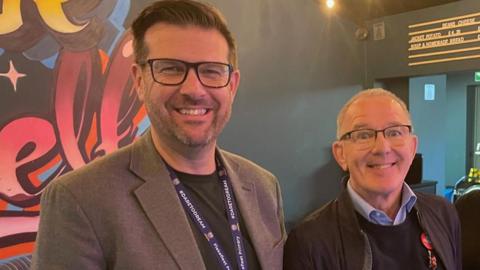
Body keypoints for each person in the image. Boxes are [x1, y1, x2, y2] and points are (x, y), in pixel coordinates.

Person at [31, 1, 286, 269]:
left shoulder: (264, 187)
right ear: (140, 81)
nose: (194, 89)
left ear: (232, 86)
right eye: (171, 68)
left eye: (211, 70)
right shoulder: (79, 199)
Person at [283, 88, 461, 270]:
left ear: (413, 147)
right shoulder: (309, 243)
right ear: (341, 153)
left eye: (394, 133)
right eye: (364, 135)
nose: (382, 148)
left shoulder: (443, 214)